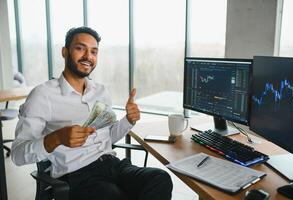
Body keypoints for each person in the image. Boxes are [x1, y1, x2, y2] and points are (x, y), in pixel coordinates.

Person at [11, 26, 173, 200]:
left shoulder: (101, 91)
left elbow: (108, 137)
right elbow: (17, 154)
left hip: (114, 166)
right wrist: (56, 138)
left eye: (94, 52)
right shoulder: (42, 95)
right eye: (80, 48)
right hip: (78, 174)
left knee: (160, 179)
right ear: (65, 52)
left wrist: (128, 120)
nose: (88, 56)